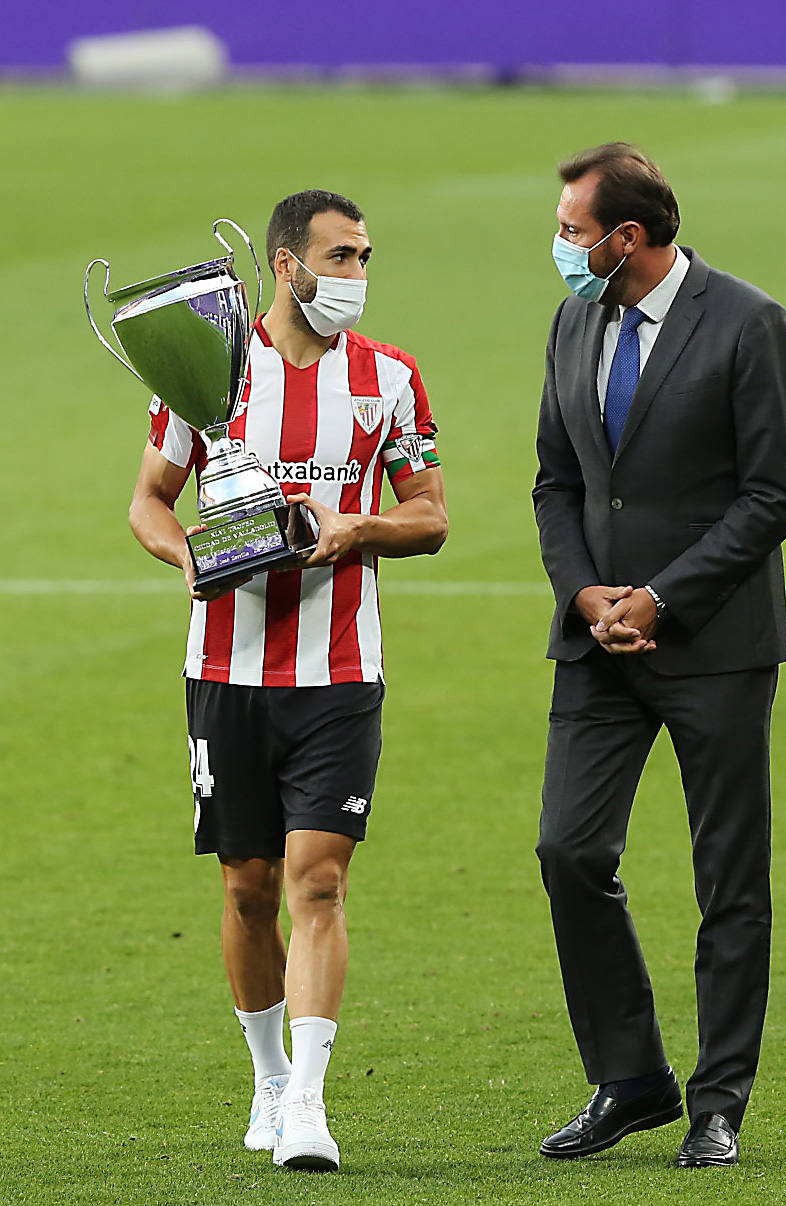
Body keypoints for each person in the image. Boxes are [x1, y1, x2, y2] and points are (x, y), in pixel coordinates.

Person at [129, 189, 447, 1173]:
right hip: (223, 665)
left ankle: (308, 1104)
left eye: (363, 258)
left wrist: (360, 530)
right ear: (285, 264)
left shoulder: (388, 378)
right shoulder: (210, 373)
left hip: (340, 668)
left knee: (318, 878)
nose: (355, 277)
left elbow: (430, 514)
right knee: (246, 885)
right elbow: (149, 499)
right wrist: (190, 563)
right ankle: (267, 1078)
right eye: (339, 257)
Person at [533, 143, 786, 1169]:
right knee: (567, 852)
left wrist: (662, 595)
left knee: (726, 878)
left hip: (715, 647)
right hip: (595, 645)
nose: (560, 248)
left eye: (571, 231)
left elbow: (773, 494)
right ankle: (631, 1078)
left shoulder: (747, 323)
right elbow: (555, 481)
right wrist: (585, 591)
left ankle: (717, 1102)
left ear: (627, 238)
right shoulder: (573, 319)